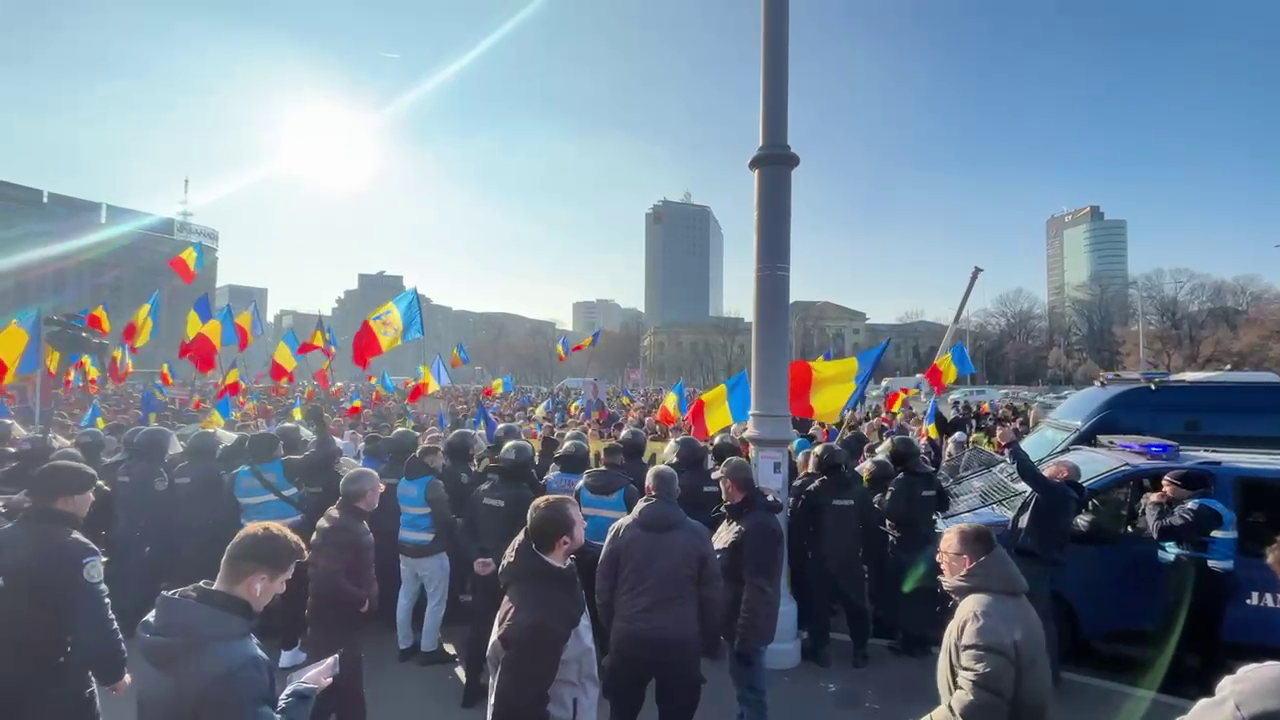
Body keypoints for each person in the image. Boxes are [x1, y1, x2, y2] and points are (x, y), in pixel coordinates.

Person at [135, 522, 335, 718]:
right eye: (283, 581)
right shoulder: (240, 664)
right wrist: (303, 691)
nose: (282, 589)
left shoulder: (160, 621)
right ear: (259, 583)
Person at [0, 460, 129, 719]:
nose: (93, 498)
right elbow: (95, 619)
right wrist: (113, 672)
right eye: (88, 492)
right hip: (54, 675)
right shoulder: (76, 549)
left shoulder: (5, 536)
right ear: (67, 500)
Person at [596, 465, 721, 720]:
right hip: (680, 640)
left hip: (629, 636)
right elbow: (712, 594)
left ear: (647, 489)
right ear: (676, 492)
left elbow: (603, 588)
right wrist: (707, 638)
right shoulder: (697, 533)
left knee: (622, 711)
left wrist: (614, 626)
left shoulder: (621, 529)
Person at [486, 495, 599, 720]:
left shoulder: (541, 561)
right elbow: (517, 705)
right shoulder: (539, 620)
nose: (585, 523)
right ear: (563, 542)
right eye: (580, 520)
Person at [927, 523, 1051, 720]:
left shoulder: (981, 615)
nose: (938, 559)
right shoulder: (1009, 597)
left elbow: (977, 703)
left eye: (943, 553)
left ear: (965, 562)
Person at [996, 425, 1085, 685]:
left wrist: (1011, 444)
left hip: (1033, 563)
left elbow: (1029, 472)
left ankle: (1045, 674)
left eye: (1052, 468)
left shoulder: (1059, 492)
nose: (1046, 470)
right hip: (1028, 560)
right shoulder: (1062, 495)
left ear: (1063, 473)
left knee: (1037, 620)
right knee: (1027, 618)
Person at [458, 439, 540, 708]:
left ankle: (471, 688)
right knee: (512, 629)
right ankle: (507, 690)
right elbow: (524, 537)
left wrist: (477, 559)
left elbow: (464, 529)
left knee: (479, 628)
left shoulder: (481, 490)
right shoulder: (525, 497)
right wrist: (494, 560)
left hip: (481, 570)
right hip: (510, 574)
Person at [1144, 468, 1236, 694]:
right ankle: (1202, 680)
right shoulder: (1191, 507)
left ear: (1183, 488)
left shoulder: (1202, 510)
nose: (1163, 490)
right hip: (1196, 578)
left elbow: (1162, 532)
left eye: (1168, 486)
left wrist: (1154, 505)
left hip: (1203, 581)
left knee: (1181, 632)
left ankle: (1178, 682)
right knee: (1199, 634)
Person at [791, 442, 876, 668]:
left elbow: (799, 529)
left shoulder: (814, 491)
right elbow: (871, 527)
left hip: (821, 560)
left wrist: (798, 560)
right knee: (857, 605)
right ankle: (860, 651)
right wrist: (867, 557)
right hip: (851, 559)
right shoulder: (859, 491)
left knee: (819, 606)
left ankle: (821, 650)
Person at [711, 457, 783, 720]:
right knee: (745, 690)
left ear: (729, 484)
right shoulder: (738, 516)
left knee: (751, 693)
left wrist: (746, 638)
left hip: (745, 630)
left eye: (720, 481)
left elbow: (758, 588)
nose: (719, 486)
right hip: (734, 623)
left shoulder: (758, 526)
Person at [305, 468, 381, 720]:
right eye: (379, 489)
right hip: (336, 621)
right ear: (369, 494)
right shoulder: (344, 526)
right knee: (342, 690)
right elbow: (327, 576)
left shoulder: (340, 516)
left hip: (333, 619)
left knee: (333, 687)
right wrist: (361, 599)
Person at [874, 435, 949, 657]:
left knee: (906, 595)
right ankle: (923, 641)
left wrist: (879, 500)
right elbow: (944, 504)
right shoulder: (931, 478)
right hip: (927, 543)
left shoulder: (902, 482)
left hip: (905, 545)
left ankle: (907, 643)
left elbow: (891, 512)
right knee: (925, 594)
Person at [395, 445, 456, 665]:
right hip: (430, 549)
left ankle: (405, 645)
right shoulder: (432, 484)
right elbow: (444, 519)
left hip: (405, 546)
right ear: (430, 461)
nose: (443, 463)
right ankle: (429, 649)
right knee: (436, 600)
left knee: (406, 596)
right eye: (440, 459)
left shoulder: (404, 481)